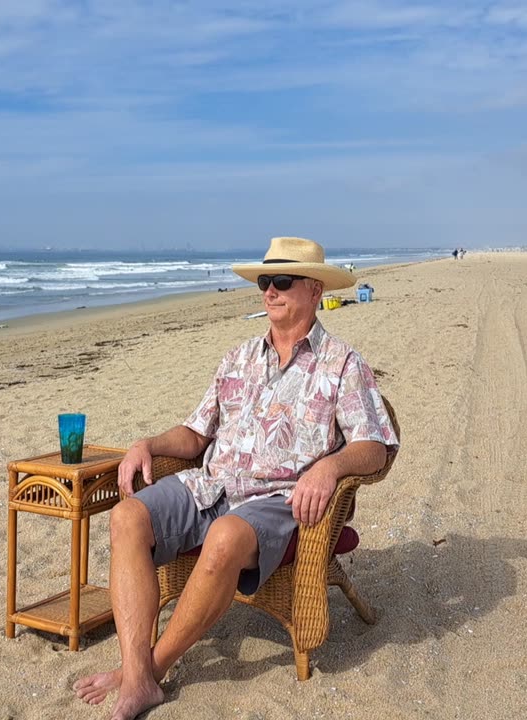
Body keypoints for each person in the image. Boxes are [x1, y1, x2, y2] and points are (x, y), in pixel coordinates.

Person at [73, 237, 399, 719]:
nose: (270, 291)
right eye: (266, 281)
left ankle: (147, 675)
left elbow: (375, 446)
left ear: (314, 290)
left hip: (277, 500)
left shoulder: (343, 364)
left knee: (225, 536)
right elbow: (194, 433)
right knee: (127, 517)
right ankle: (136, 671)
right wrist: (148, 444)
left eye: (282, 281)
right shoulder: (238, 358)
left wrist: (330, 466)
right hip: (212, 486)